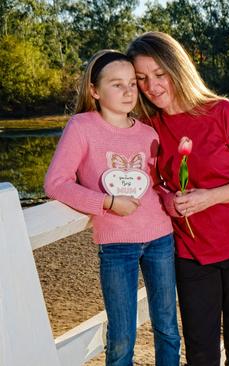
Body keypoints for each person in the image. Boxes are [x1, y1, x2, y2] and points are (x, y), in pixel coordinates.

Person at [127, 32, 229, 366]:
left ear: (177, 68)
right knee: (200, 355)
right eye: (142, 79)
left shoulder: (221, 111)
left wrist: (210, 197)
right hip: (192, 254)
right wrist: (165, 198)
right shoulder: (148, 127)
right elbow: (149, 183)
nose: (152, 86)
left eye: (159, 74)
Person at [44, 50, 181, 366]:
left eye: (132, 83)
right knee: (121, 338)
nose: (128, 91)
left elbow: (157, 182)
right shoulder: (82, 127)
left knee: (168, 329)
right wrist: (106, 203)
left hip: (161, 238)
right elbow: (56, 182)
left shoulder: (148, 131)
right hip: (116, 245)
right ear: (94, 90)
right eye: (116, 84)